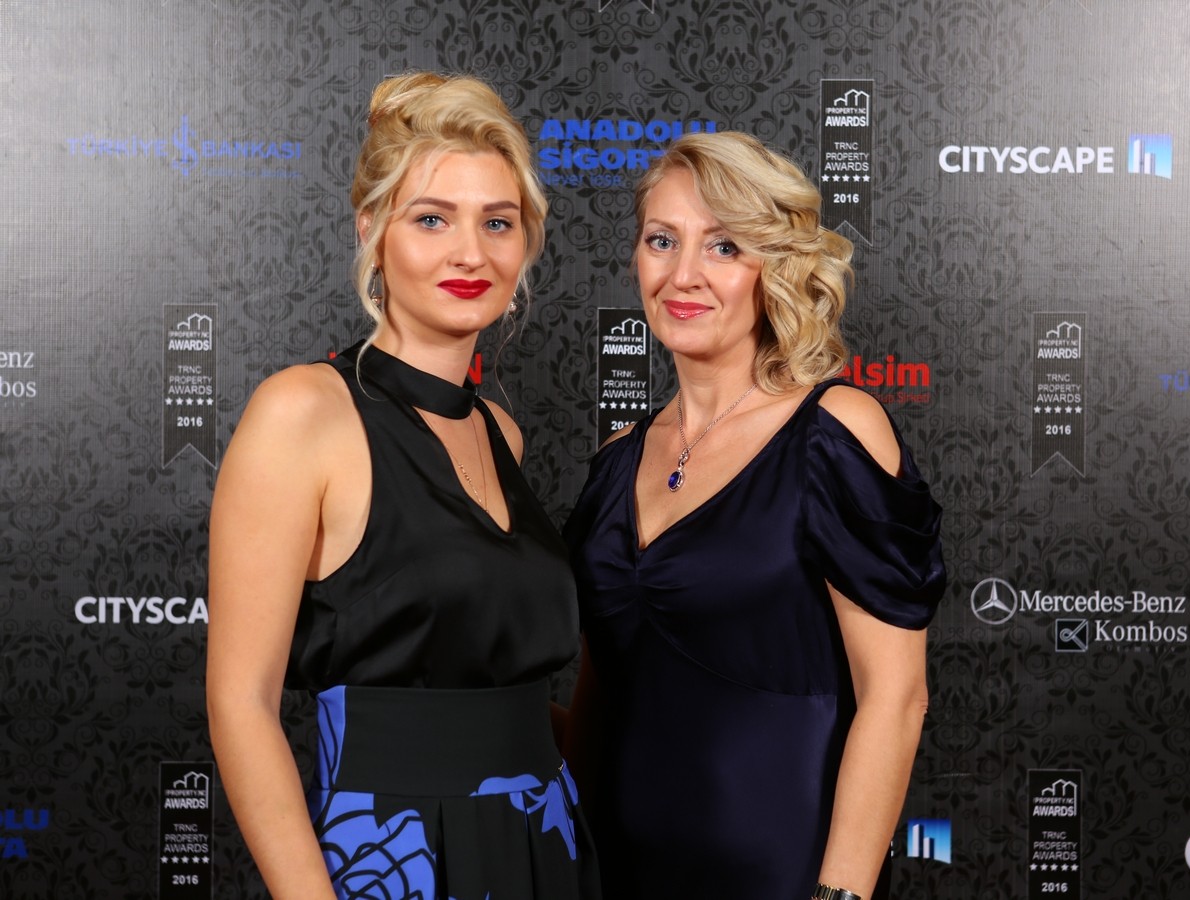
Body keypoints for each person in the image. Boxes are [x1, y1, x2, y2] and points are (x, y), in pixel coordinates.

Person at [206, 72, 599, 900]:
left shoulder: (501, 432)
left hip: (544, 844)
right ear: (372, 230)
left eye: (498, 222)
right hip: (391, 854)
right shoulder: (303, 412)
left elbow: (487, 685)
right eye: (431, 219)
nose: (471, 253)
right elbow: (241, 703)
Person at [564, 131, 946, 900]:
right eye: (662, 240)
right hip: (613, 874)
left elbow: (896, 697)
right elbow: (598, 705)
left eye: (724, 246)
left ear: (775, 267)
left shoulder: (832, 433)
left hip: (781, 874)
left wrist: (839, 896)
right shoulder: (615, 461)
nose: (683, 274)